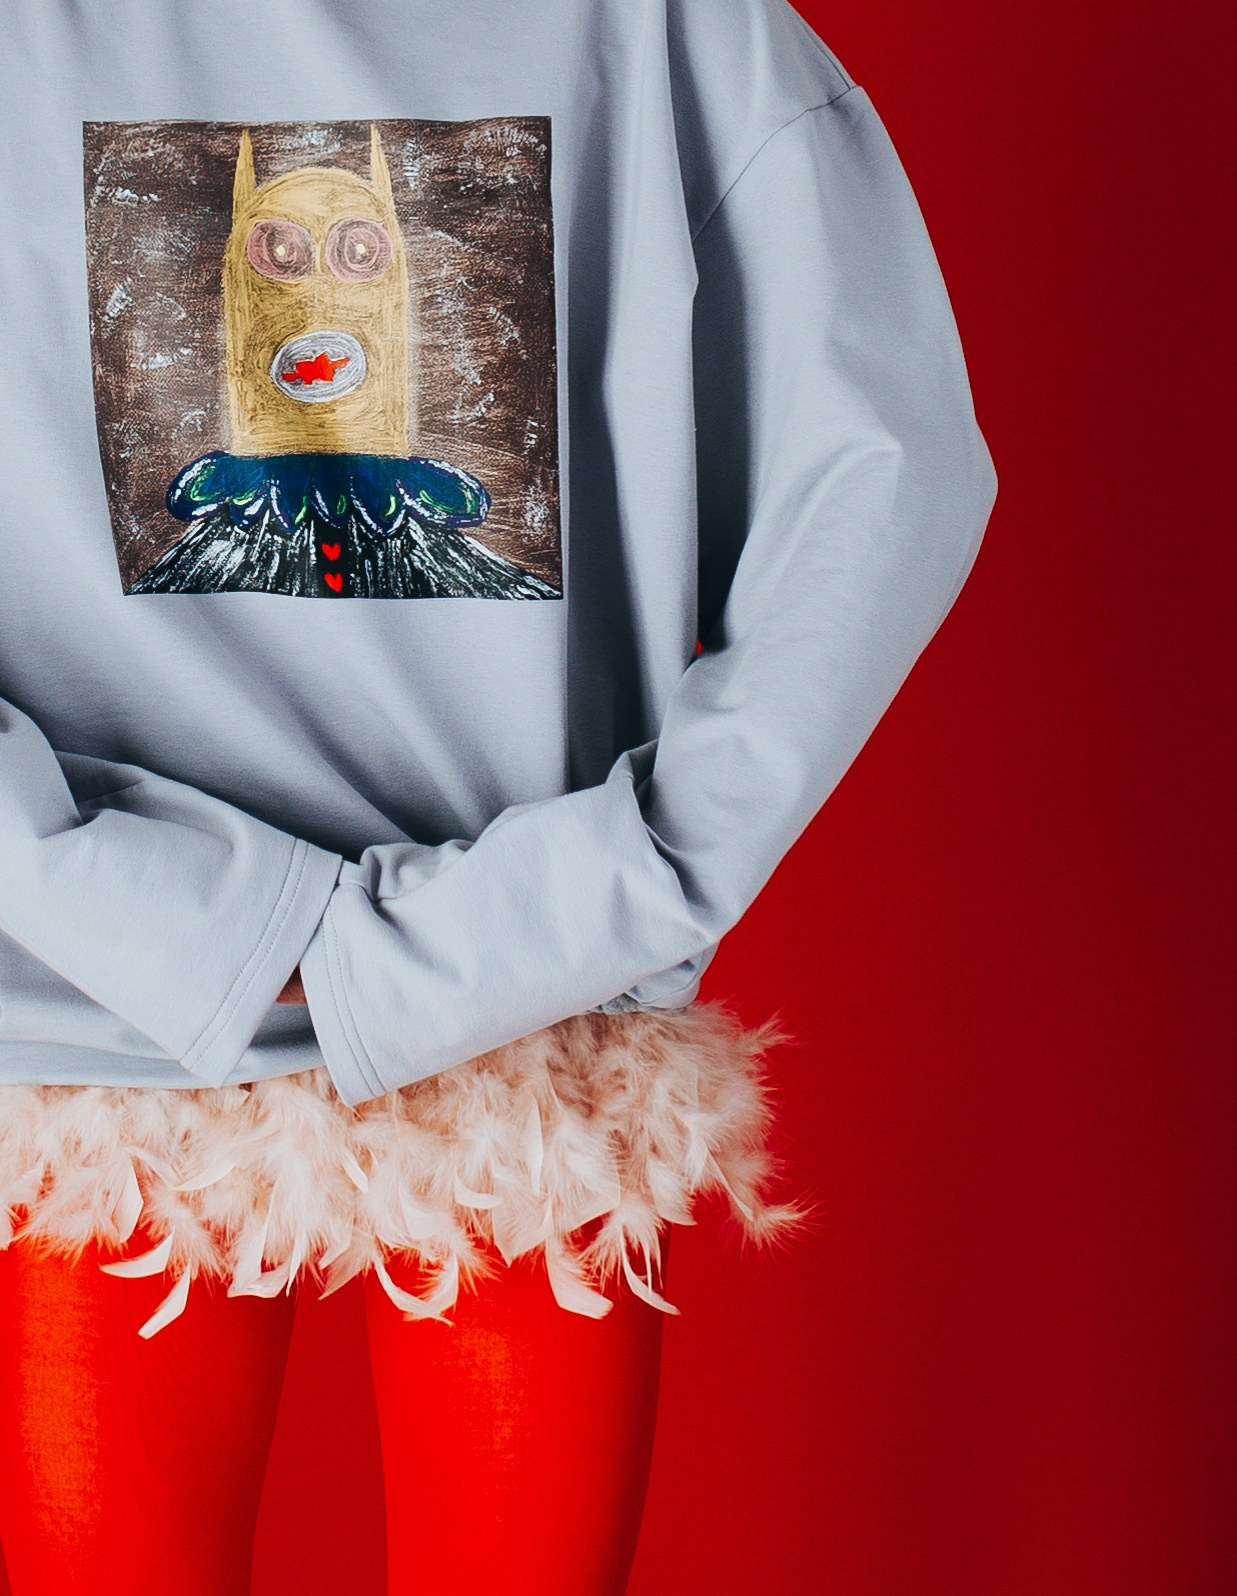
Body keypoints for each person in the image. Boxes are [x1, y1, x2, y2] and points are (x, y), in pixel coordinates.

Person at [0, 1, 998, 1590]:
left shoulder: (676, 33)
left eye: (356, 256)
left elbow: (879, 483)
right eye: (273, 257)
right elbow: (887, 481)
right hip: (102, 1026)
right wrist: (75, 883)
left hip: (516, 1009)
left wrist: (631, 875)